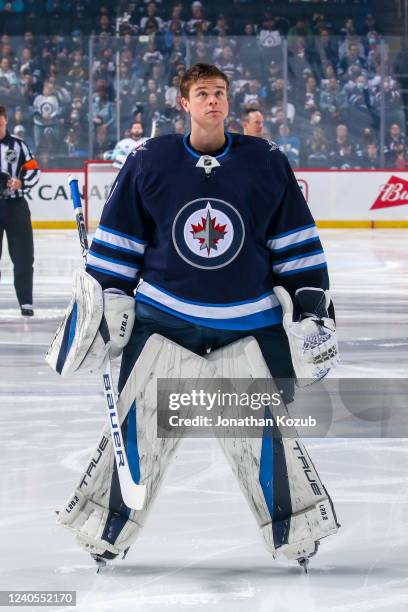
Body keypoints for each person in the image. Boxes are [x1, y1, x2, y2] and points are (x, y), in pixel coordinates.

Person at [52, 64, 339, 568]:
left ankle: (296, 529)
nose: (213, 101)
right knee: (136, 429)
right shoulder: (149, 161)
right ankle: (105, 527)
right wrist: (106, 302)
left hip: (250, 323)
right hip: (166, 319)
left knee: (268, 434)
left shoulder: (267, 161)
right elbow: (119, 248)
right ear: (184, 103)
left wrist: (315, 312)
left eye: (220, 93)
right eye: (202, 93)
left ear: (229, 101)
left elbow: (296, 248)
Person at [0, 105, 40, 316]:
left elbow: (34, 171)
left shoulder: (19, 145)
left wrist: (20, 183)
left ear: (5, 120)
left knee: (24, 255)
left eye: (0, 122)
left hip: (16, 206)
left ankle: (26, 301)